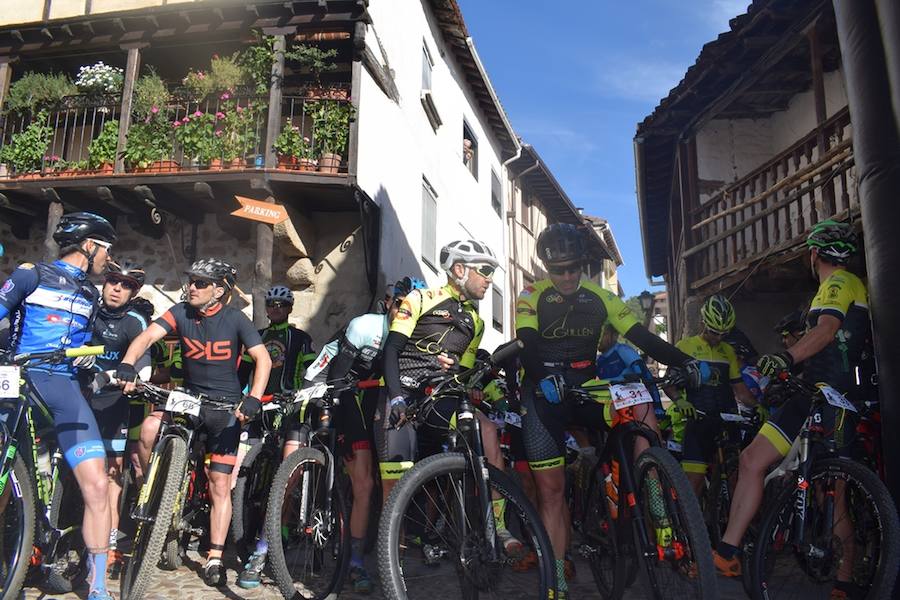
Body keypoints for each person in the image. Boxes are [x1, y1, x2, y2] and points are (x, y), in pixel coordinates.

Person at [515, 223, 706, 599]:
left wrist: (685, 360)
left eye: (574, 268)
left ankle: (654, 493)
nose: (568, 276)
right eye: (559, 270)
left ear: (583, 265)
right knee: (551, 491)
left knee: (639, 400)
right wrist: (540, 377)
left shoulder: (601, 297)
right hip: (543, 391)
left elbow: (643, 338)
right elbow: (528, 344)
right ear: (546, 268)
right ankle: (558, 584)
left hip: (587, 387)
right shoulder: (530, 295)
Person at [237, 276, 425, 593]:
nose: (404, 311)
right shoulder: (366, 326)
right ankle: (261, 549)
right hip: (324, 384)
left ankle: (354, 562)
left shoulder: (412, 335)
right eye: (399, 304)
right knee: (291, 467)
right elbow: (336, 375)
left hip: (365, 394)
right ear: (388, 304)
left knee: (364, 482)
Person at [714, 220, 869, 600]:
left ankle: (728, 550)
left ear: (814, 254)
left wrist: (785, 356)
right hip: (831, 396)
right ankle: (844, 581)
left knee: (759, 463)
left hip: (823, 395)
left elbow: (827, 330)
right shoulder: (842, 287)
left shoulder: (837, 283)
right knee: (831, 490)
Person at [116, 258, 272, 587]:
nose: (192, 287)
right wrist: (128, 364)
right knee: (147, 430)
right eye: (192, 281)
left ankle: (215, 556)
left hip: (225, 408)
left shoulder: (235, 319)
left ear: (219, 290)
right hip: (188, 400)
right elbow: (146, 338)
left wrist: (254, 397)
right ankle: (155, 491)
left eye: (200, 283)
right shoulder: (181, 311)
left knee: (219, 484)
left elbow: (263, 359)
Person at [0, 212, 117, 600]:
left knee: (97, 485)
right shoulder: (31, 274)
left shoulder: (90, 295)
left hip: (64, 388)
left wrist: (91, 362)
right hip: (21, 378)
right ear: (90, 246)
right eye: (106, 250)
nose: (108, 259)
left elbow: (90, 347)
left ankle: (97, 585)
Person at [382, 241, 520, 556]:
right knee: (394, 482)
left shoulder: (477, 321)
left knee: (486, 431)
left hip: (439, 397)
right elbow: (390, 350)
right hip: (404, 392)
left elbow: (464, 374)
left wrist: (465, 372)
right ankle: (388, 555)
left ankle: (497, 526)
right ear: (459, 270)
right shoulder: (420, 299)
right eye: (484, 271)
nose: (489, 279)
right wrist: (394, 398)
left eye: (492, 272)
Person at [84, 261, 151, 578]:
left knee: (111, 480)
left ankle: (108, 547)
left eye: (124, 285)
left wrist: (126, 375)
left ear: (132, 292)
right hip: (80, 401)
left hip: (113, 405)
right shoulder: (88, 311)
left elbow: (145, 367)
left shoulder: (134, 322)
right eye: (112, 281)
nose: (116, 288)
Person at [667, 294, 758, 496]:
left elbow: (739, 388)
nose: (718, 338)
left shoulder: (729, 351)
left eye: (723, 334)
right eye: (714, 332)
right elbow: (669, 384)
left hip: (727, 419)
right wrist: (679, 400)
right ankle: (691, 525)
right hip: (698, 419)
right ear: (702, 322)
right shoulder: (685, 346)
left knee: (735, 479)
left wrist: (758, 406)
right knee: (693, 484)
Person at [238, 285, 315, 397]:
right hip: (259, 400)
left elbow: (313, 369)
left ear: (290, 309)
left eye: (281, 304)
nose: (275, 308)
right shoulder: (257, 336)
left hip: (289, 399)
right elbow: (243, 371)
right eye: (271, 304)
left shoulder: (301, 337)